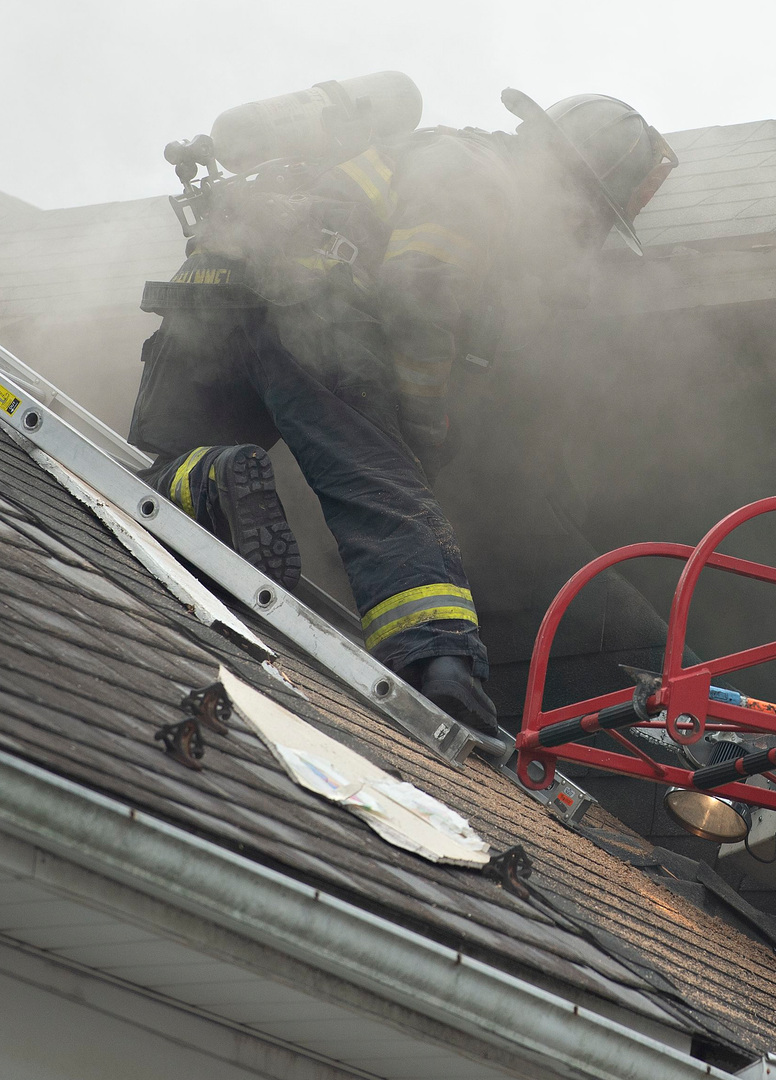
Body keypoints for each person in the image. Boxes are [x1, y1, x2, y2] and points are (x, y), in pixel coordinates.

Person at [127, 84, 675, 750]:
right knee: (384, 492)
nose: (583, 232)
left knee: (160, 465)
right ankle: (440, 665)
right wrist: (421, 418)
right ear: (570, 182)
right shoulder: (481, 178)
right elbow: (419, 287)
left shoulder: (427, 153)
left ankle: (216, 480)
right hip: (314, 305)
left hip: (213, 293)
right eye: (592, 214)